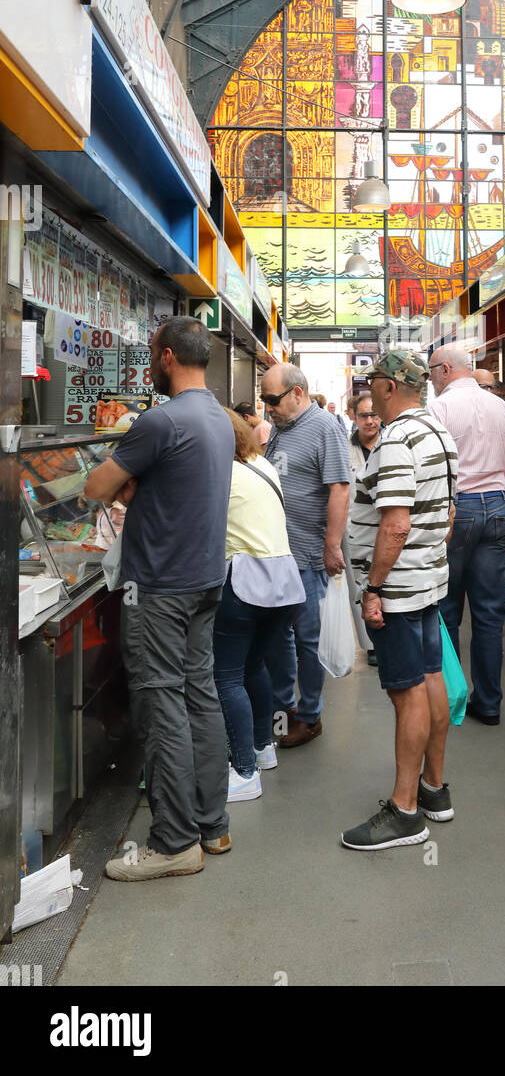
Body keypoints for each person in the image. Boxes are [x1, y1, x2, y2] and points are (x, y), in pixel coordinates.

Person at [84, 317, 235, 879]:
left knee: (160, 703)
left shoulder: (160, 420)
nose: (150, 360)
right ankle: (211, 825)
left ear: (167, 356)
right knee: (199, 695)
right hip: (202, 579)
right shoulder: (218, 418)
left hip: (160, 586)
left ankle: (174, 843)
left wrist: (126, 483)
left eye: (152, 353)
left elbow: (96, 486)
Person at [342, 350, 458, 850]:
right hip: (427, 582)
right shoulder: (438, 434)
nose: (370, 393)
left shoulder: (396, 439)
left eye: (373, 384)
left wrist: (374, 588)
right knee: (429, 680)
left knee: (406, 691)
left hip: (399, 591)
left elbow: (396, 523)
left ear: (390, 386)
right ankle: (433, 788)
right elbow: (448, 513)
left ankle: (406, 811)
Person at [427, 344, 505, 726]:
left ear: (446, 369)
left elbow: (436, 470)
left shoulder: (441, 409)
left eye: (432, 371)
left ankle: (450, 697)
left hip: (458, 511)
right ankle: (489, 703)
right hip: (498, 508)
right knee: (489, 613)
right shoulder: (500, 406)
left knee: (446, 609)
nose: (430, 380)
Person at [214, 410, 306, 804]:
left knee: (226, 677)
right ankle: (262, 749)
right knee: (255, 667)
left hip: (244, 582)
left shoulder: (219, 474)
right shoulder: (263, 464)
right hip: (284, 582)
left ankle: (243, 772)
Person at [261, 363, 351, 747]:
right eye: (264, 400)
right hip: (276, 553)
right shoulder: (281, 431)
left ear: (297, 393)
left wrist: (331, 546)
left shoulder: (325, 428)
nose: (268, 409)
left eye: (273, 400)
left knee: (307, 640)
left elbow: (340, 490)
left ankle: (311, 716)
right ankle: (284, 710)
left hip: (308, 555)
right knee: (277, 636)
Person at [343, 390, 382, 666]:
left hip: (385, 525)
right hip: (354, 529)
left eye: (374, 414)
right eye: (364, 415)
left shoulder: (392, 446)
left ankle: (389, 634)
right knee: (359, 585)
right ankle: (371, 645)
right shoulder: (344, 449)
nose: (370, 421)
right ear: (353, 417)